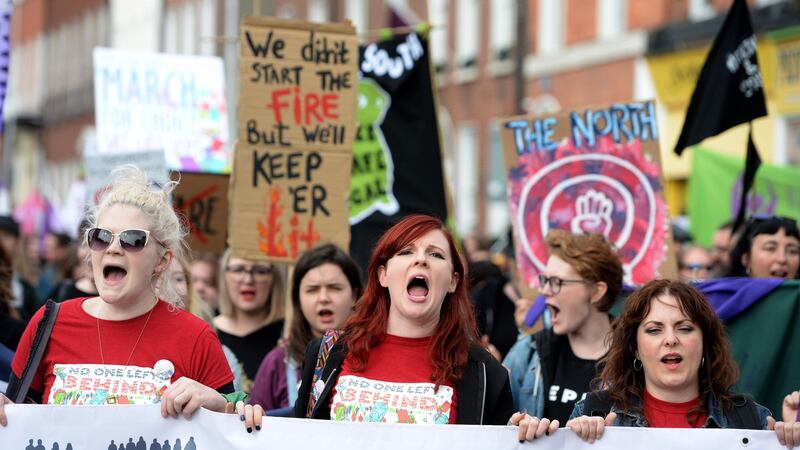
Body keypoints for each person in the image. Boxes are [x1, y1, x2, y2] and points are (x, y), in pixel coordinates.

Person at [0, 166, 249, 428]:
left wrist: (223, 408)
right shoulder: (49, 323)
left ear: (162, 261)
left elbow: (231, 432)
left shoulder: (196, 337)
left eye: (132, 239)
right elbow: (18, 424)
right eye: (101, 237)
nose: (114, 248)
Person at [513, 279, 800, 447]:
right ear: (635, 348)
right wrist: (539, 438)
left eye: (685, 328)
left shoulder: (750, 420)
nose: (670, 339)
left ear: (705, 343)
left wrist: (790, 442)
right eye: (654, 330)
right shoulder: (594, 412)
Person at [293, 214, 513, 425]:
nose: (420, 260)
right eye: (406, 252)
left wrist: (529, 433)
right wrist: (259, 425)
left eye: (435, 254)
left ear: (453, 281)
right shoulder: (328, 354)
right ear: (383, 275)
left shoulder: (484, 372)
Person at [503, 230, 623, 425]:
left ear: (596, 291)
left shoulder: (636, 357)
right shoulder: (527, 353)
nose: (544, 291)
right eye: (545, 280)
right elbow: (495, 430)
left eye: (556, 282)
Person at [250, 244, 361, 412]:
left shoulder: (373, 355)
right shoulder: (277, 362)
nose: (323, 298)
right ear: (298, 300)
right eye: (312, 289)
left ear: (354, 295)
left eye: (334, 288)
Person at [213, 248, 286, 392]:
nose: (248, 280)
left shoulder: (288, 334)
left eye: (260, 271)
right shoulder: (206, 331)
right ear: (224, 275)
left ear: (274, 279)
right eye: (238, 270)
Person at [727, 216, 799, 279]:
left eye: (792, 251)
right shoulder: (724, 294)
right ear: (746, 259)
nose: (782, 259)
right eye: (770, 248)